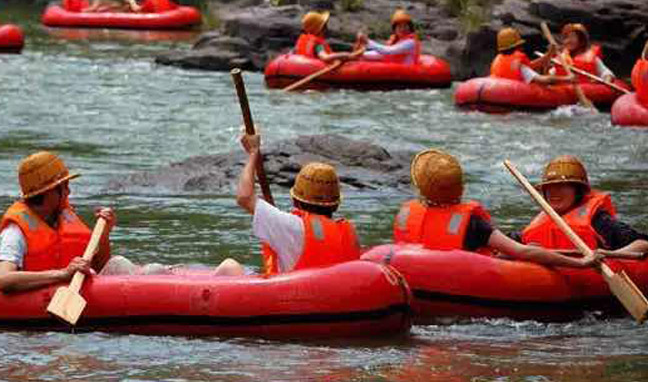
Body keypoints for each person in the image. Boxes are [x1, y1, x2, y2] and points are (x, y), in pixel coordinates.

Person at [393, 149, 603, 268]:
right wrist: (582, 263)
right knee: (523, 248)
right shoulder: (474, 224)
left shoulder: (407, 213)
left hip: (429, 278)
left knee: (524, 246)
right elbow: (523, 251)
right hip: (457, 279)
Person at [0, 151, 168, 293]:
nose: (69, 192)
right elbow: (4, 280)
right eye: (64, 186)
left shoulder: (63, 216)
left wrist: (103, 234)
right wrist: (63, 274)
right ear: (48, 192)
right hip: (45, 295)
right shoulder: (15, 232)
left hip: (80, 286)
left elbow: (99, 265)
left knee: (133, 265)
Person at [215, 133, 361, 277]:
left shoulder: (290, 226)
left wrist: (253, 153)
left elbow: (244, 197)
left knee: (229, 266)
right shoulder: (349, 232)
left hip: (288, 296)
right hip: (331, 295)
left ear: (296, 200)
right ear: (335, 205)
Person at [509, 155, 648, 258]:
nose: (553, 192)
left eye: (562, 186)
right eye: (549, 187)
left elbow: (642, 243)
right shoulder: (540, 221)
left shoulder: (599, 221)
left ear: (578, 191)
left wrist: (611, 254)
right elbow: (506, 244)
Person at [489, 27, 573, 85]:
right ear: (518, 46)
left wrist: (549, 54)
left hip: (495, 92)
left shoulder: (499, 59)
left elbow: (531, 65)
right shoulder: (521, 66)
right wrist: (567, 78)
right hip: (513, 93)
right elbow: (544, 80)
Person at [294, 10, 364, 62]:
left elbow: (294, 52)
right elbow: (325, 57)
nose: (327, 29)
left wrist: (358, 44)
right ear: (320, 29)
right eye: (325, 26)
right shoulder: (318, 46)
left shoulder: (307, 39)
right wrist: (348, 55)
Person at [357, 9, 421, 65]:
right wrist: (362, 54)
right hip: (396, 68)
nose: (402, 29)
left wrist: (367, 41)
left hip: (406, 72)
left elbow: (388, 51)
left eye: (405, 26)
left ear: (410, 28)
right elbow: (383, 54)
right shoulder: (397, 40)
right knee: (360, 56)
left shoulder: (410, 43)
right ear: (395, 29)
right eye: (399, 27)